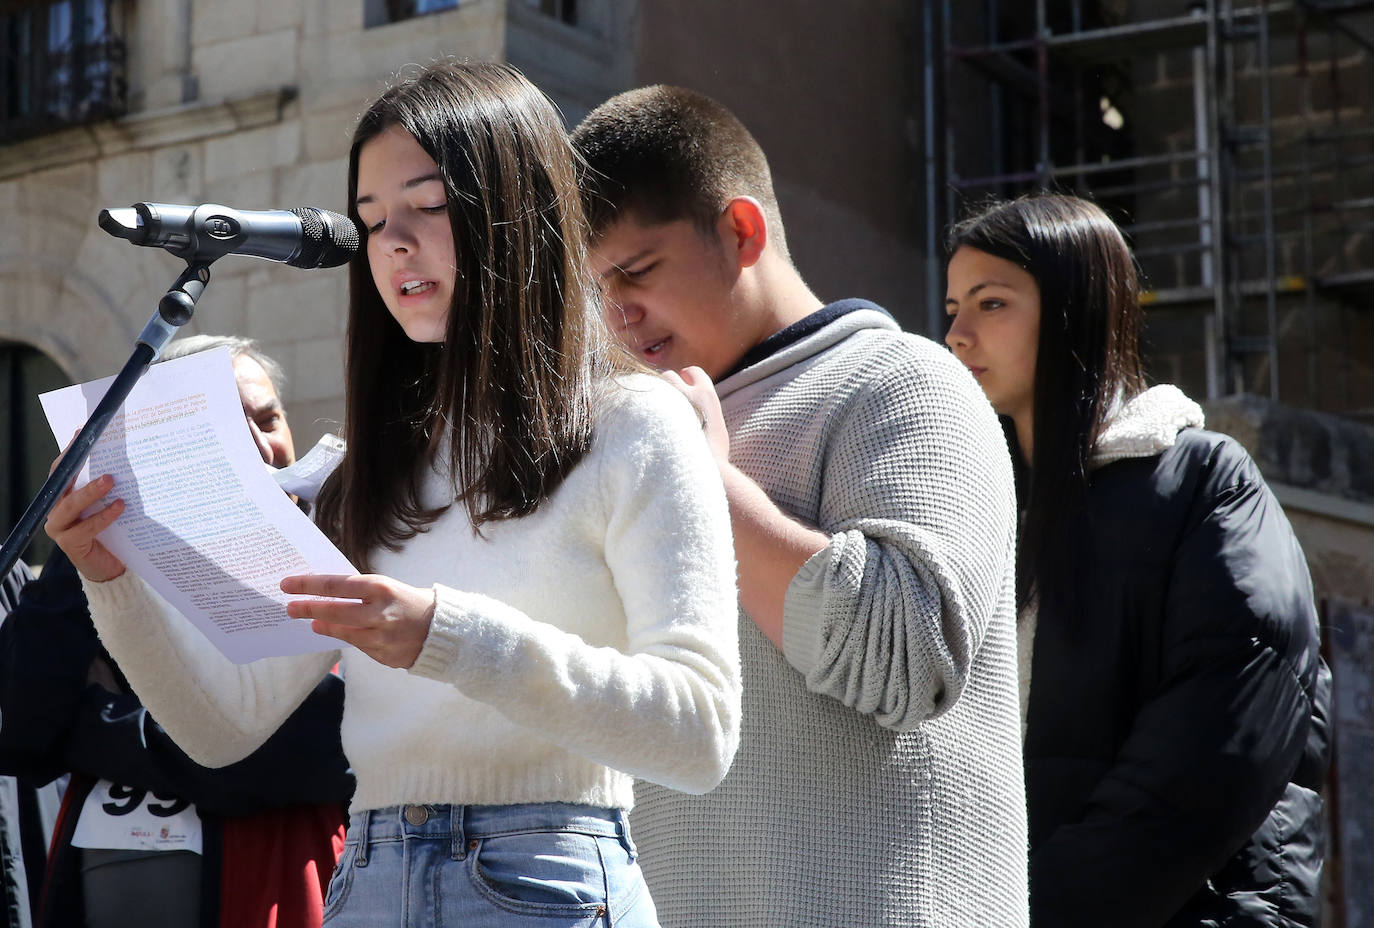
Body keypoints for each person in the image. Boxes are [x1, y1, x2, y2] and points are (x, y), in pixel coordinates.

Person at [48, 61, 740, 928]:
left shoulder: (634, 424)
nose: (394, 243)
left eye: (429, 206)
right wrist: (110, 578)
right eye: (371, 221)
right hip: (368, 876)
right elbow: (223, 729)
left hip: (545, 877)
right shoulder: (363, 470)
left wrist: (446, 637)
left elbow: (700, 732)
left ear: (514, 210)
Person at [572, 86, 1027, 926]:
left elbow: (905, 656)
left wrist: (705, 483)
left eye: (636, 271)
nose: (616, 311)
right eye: (594, 287)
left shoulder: (906, 384)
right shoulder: (632, 431)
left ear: (742, 232)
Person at [943, 193, 1331, 927]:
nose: (957, 334)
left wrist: (1036, 907)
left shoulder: (1200, 482)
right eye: (953, 305)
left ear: (1075, 308)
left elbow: (1216, 747)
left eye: (991, 304)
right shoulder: (976, 502)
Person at [0, 334, 355, 928]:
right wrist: (83, 556)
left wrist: (95, 730)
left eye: (268, 420)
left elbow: (311, 749)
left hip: (281, 883)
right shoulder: (108, 558)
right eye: (225, 427)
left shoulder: (347, 546)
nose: (259, 445)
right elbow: (20, 730)